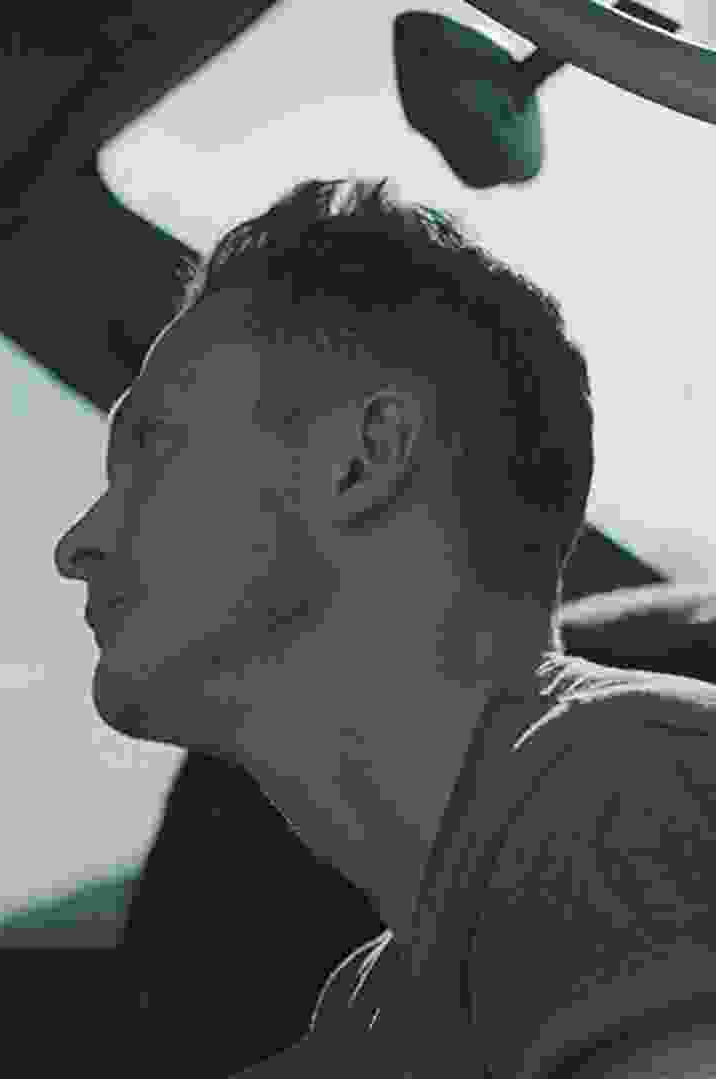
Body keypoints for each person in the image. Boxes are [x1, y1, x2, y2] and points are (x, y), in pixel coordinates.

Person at [55, 178, 716, 1078]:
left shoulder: (616, 800)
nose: (77, 543)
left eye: (151, 449)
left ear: (360, 461)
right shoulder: (381, 1001)